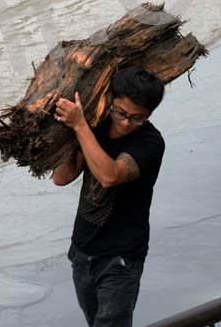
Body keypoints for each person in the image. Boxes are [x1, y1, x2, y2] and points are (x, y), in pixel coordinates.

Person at [52, 66, 166, 327]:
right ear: (111, 101)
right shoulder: (98, 127)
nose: (126, 122)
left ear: (148, 115)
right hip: (82, 252)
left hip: (121, 258)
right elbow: (62, 177)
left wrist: (80, 126)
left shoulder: (150, 143)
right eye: (121, 113)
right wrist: (71, 133)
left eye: (137, 118)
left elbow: (110, 175)